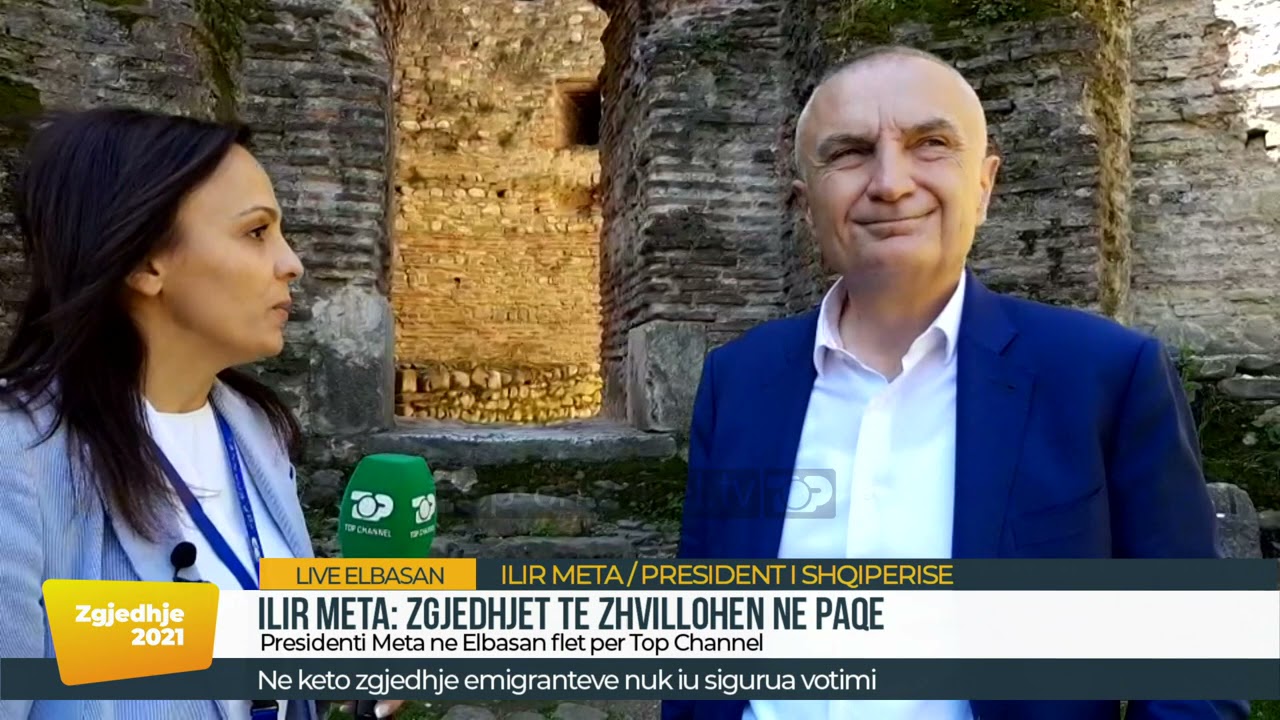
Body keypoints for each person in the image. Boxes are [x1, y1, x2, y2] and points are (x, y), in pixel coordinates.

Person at [664, 46, 1248, 720]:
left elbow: (1194, 668)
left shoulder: (1104, 376)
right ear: (805, 204)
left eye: (931, 144)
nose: (890, 183)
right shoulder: (738, 381)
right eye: (850, 153)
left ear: (984, 185)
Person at [0, 108, 402, 720]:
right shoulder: (19, 456)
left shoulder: (256, 431)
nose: (292, 263)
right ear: (145, 263)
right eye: (256, 232)